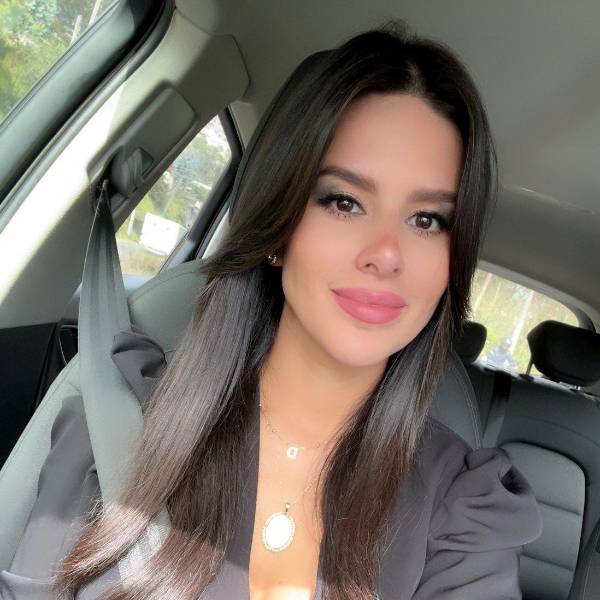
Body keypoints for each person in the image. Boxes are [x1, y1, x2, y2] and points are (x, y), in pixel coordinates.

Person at [0, 20, 542, 600]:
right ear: (277, 229)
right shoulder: (119, 421)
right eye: (344, 202)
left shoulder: (466, 513)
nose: (387, 254)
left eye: (427, 220)